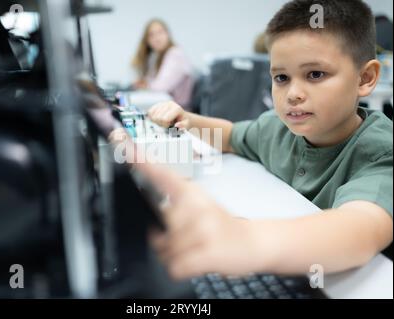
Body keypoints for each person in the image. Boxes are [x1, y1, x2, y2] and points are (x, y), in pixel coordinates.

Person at [138, 0, 393, 280]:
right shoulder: (277, 126)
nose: (293, 93)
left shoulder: (381, 152)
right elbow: (232, 136)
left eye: (315, 74)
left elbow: (358, 231)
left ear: (365, 78)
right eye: (281, 77)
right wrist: (186, 120)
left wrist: (244, 239)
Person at [131, 19, 195, 109]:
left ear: (167, 34)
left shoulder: (175, 54)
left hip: (180, 111)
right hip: (168, 108)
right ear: (147, 41)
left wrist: (146, 85)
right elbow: (154, 82)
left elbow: (161, 88)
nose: (157, 38)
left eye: (160, 32)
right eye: (151, 35)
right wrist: (145, 83)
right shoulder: (158, 57)